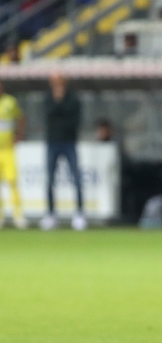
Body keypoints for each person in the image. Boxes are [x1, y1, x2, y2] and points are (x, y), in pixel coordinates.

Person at [41, 72, 86, 231]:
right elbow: (48, 115)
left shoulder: (73, 99)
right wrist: (57, 103)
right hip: (53, 143)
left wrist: (60, 104)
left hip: (69, 142)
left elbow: (74, 120)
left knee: (76, 178)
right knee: (50, 179)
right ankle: (51, 214)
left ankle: (79, 213)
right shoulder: (48, 98)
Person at [0, 82, 26, 229]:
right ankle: (1, 216)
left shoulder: (10, 102)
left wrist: (19, 135)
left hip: (8, 149)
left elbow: (21, 117)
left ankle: (18, 215)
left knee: (12, 182)